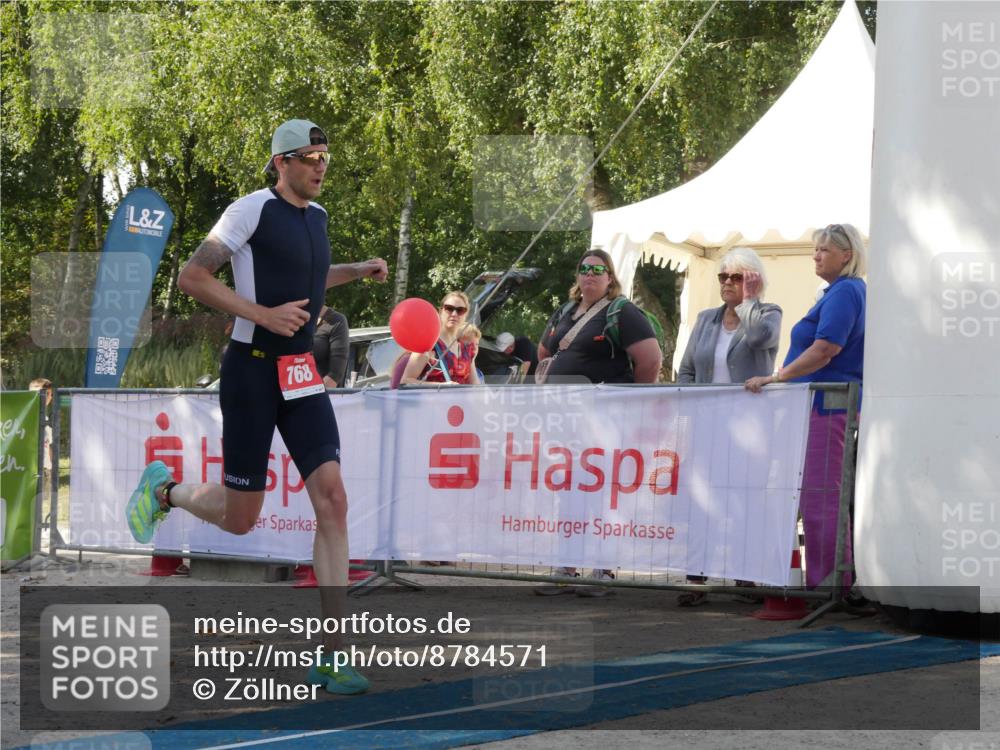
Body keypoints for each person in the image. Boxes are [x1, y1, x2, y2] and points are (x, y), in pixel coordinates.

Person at [123, 118, 389, 695]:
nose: (321, 166)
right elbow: (192, 276)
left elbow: (313, 281)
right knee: (242, 520)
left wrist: (357, 269)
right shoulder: (249, 210)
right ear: (280, 162)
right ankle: (164, 491)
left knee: (334, 499)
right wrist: (260, 314)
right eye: (310, 157)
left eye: (326, 156)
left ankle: (332, 654)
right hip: (251, 373)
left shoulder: (317, 218)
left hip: (300, 375)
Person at [534, 249, 662, 597]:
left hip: (606, 420)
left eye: (598, 270)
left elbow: (650, 359)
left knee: (601, 493)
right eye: (584, 269)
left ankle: (602, 570)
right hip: (567, 418)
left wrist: (630, 402)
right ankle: (567, 568)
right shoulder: (564, 311)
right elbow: (544, 352)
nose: (590, 275)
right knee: (570, 491)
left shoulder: (623, 312)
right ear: (577, 276)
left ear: (609, 278)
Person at [746, 223, 866, 590]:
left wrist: (778, 377)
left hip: (829, 407)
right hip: (820, 406)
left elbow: (826, 348)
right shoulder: (838, 292)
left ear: (848, 255)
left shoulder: (846, 292)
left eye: (825, 250)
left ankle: (829, 584)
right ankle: (825, 582)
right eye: (815, 249)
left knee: (822, 498)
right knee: (818, 497)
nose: (816, 255)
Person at [675, 247, 782, 606]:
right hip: (708, 425)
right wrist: (696, 399)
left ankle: (746, 575)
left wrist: (749, 302)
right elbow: (687, 367)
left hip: (749, 428)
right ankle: (695, 577)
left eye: (736, 277)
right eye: (723, 276)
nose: (727, 283)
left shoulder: (768, 313)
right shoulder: (706, 319)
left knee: (744, 498)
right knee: (702, 498)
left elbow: (759, 340)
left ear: (753, 281)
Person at [399, 292, 482, 386]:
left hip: (461, 400)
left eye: (460, 310)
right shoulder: (428, 344)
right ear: (440, 311)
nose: (454, 314)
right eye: (449, 309)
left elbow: (475, 385)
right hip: (432, 400)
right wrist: (442, 386)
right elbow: (405, 381)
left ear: (465, 315)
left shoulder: (467, 349)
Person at [313, 305, 350, 388]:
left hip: (321, 394)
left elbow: (335, 375)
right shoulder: (293, 318)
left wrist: (314, 396)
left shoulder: (337, 321)